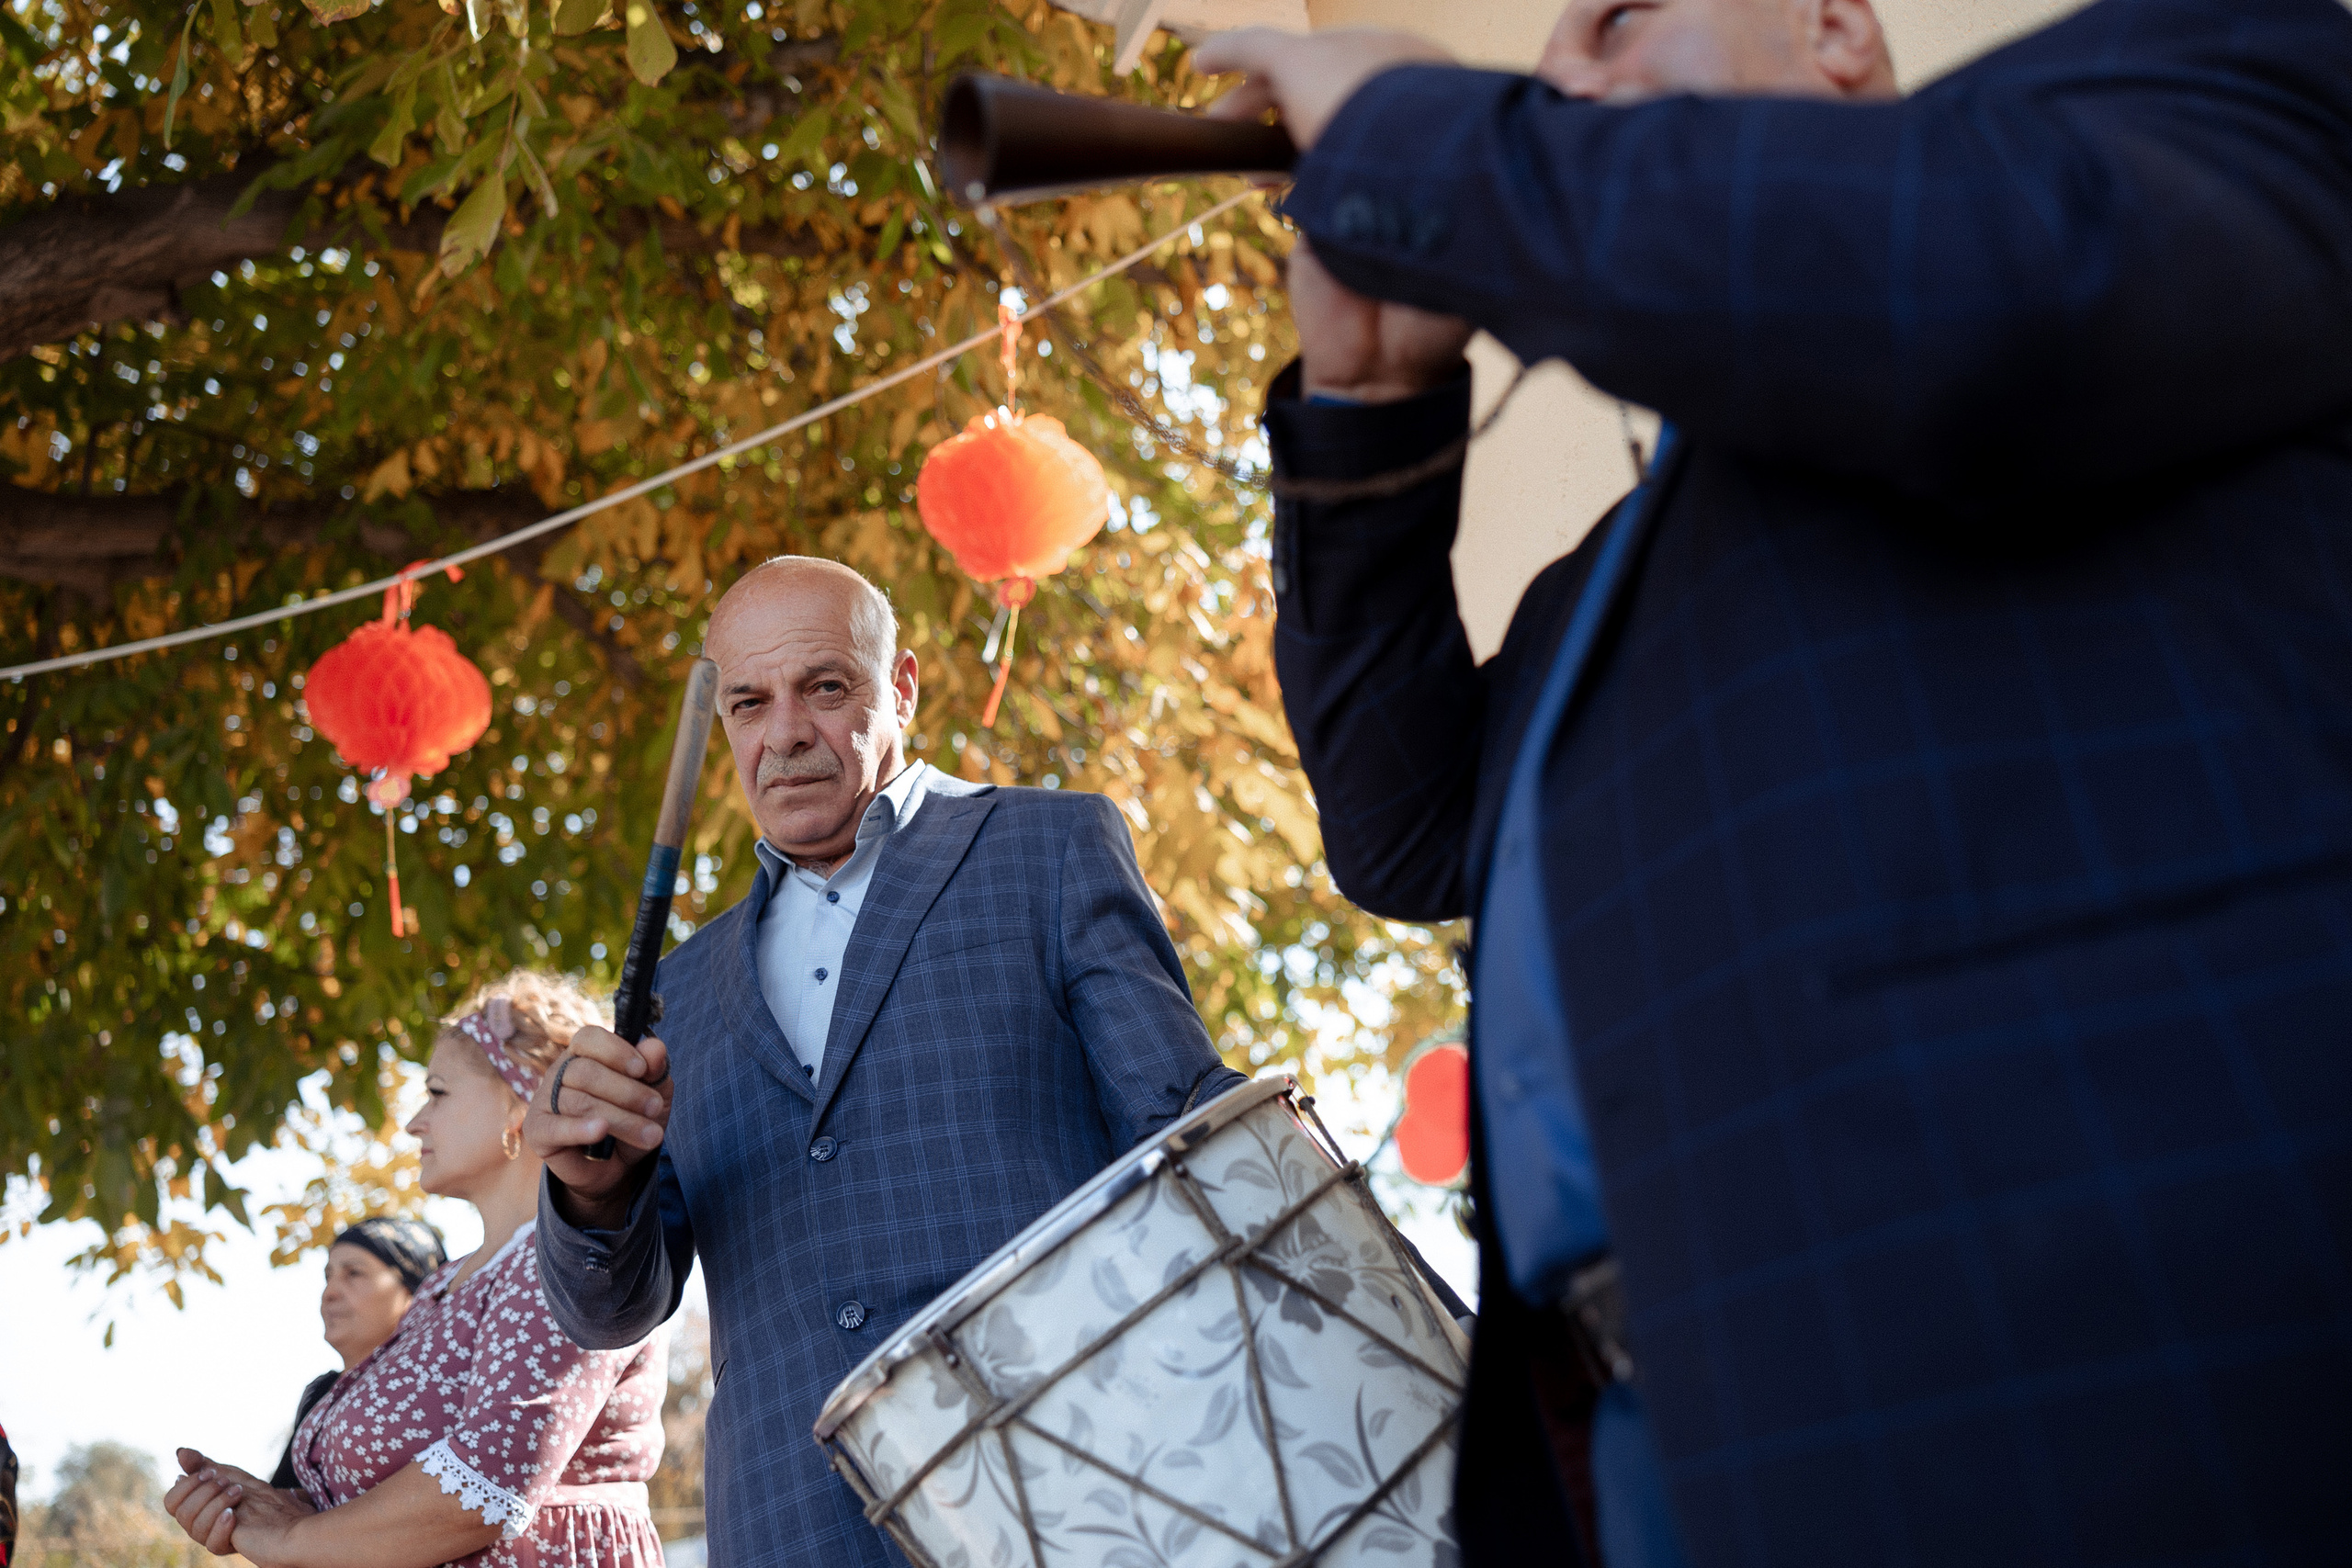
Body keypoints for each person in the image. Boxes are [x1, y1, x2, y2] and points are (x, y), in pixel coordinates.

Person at [1197, 1, 2352, 1565]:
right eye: (1546, 67)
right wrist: (1372, 412)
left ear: (1834, 31)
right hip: (1692, 1448)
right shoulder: (1602, 578)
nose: (1568, 77)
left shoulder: (2200, 86)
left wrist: (1416, 133)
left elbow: (1987, 294)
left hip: (2105, 1390)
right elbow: (1403, 826)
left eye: (1620, 21)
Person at [522, 556, 1247, 1567]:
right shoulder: (675, 990)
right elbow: (611, 1308)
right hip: (794, 1523)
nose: (784, 733)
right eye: (748, 702)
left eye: (825, 687)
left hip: (1073, 1486)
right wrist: (591, 1196)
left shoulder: (1048, 849)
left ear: (900, 686)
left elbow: (1193, 1144)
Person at [164, 974, 668, 1567]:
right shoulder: (442, 1285)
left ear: (519, 1101)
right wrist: (266, 1507)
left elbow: (487, 1480)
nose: (414, 1122)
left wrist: (292, 1541)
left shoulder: (565, 1256)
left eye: (438, 1091)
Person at [268, 1216, 450, 1490]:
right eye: (328, 1277)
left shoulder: (442, 1389)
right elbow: (282, 1502)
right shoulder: (319, 1394)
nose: (329, 1293)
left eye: (354, 1273)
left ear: (415, 1293)